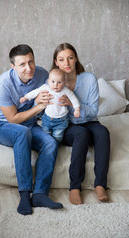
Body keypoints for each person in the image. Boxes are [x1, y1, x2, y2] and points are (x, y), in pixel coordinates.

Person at [0, 44, 63, 215]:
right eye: (22, 64)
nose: (28, 68)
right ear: (13, 66)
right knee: (22, 132)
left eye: (31, 61)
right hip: (3, 126)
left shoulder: (43, 74)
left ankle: (39, 194)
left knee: (50, 143)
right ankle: (24, 194)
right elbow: (13, 118)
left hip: (30, 125)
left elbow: (53, 98)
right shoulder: (2, 84)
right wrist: (39, 106)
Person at [50, 42, 110, 204]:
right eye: (61, 60)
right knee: (81, 133)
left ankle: (100, 185)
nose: (66, 63)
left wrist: (72, 104)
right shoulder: (52, 81)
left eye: (70, 58)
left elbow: (93, 111)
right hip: (66, 125)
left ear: (76, 58)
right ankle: (75, 187)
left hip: (89, 121)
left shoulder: (89, 79)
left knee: (103, 132)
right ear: (56, 62)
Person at [20, 68, 80, 142]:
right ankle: (47, 144)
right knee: (46, 133)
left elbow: (74, 98)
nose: (56, 85)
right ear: (48, 81)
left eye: (59, 82)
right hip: (47, 118)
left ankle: (56, 145)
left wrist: (77, 109)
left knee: (58, 135)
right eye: (53, 82)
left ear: (64, 83)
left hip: (61, 119)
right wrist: (26, 97)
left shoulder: (65, 91)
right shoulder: (46, 87)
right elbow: (35, 92)